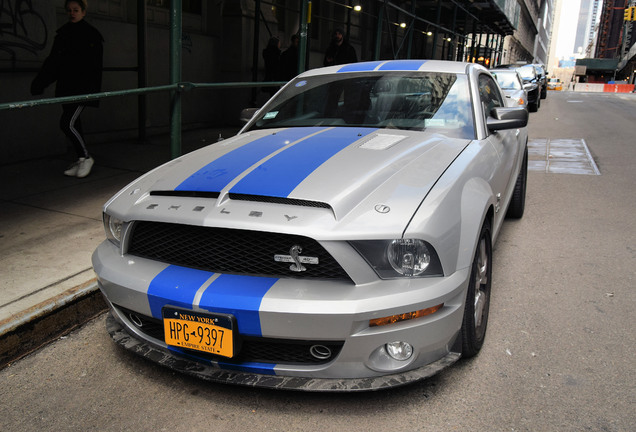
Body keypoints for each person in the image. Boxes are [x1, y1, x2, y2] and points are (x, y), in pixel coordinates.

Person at [31, 0, 103, 178]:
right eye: (69, 10)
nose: (72, 13)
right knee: (74, 123)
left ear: (84, 12)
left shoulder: (91, 35)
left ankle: (86, 157)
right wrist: (40, 83)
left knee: (67, 123)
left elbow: (95, 66)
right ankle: (81, 158)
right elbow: (53, 62)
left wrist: (90, 91)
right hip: (66, 87)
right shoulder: (63, 34)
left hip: (83, 89)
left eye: (76, 10)